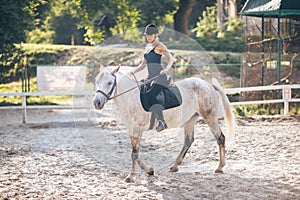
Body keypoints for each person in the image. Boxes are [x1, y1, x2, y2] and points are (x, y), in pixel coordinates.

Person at [131, 23, 174, 132]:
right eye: (147, 35)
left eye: (150, 35)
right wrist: (133, 71)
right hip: (150, 77)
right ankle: (147, 120)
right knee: (142, 90)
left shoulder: (160, 46)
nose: (148, 37)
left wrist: (166, 69)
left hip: (160, 77)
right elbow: (143, 65)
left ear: (156, 35)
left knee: (152, 94)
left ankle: (162, 121)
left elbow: (171, 59)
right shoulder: (147, 47)